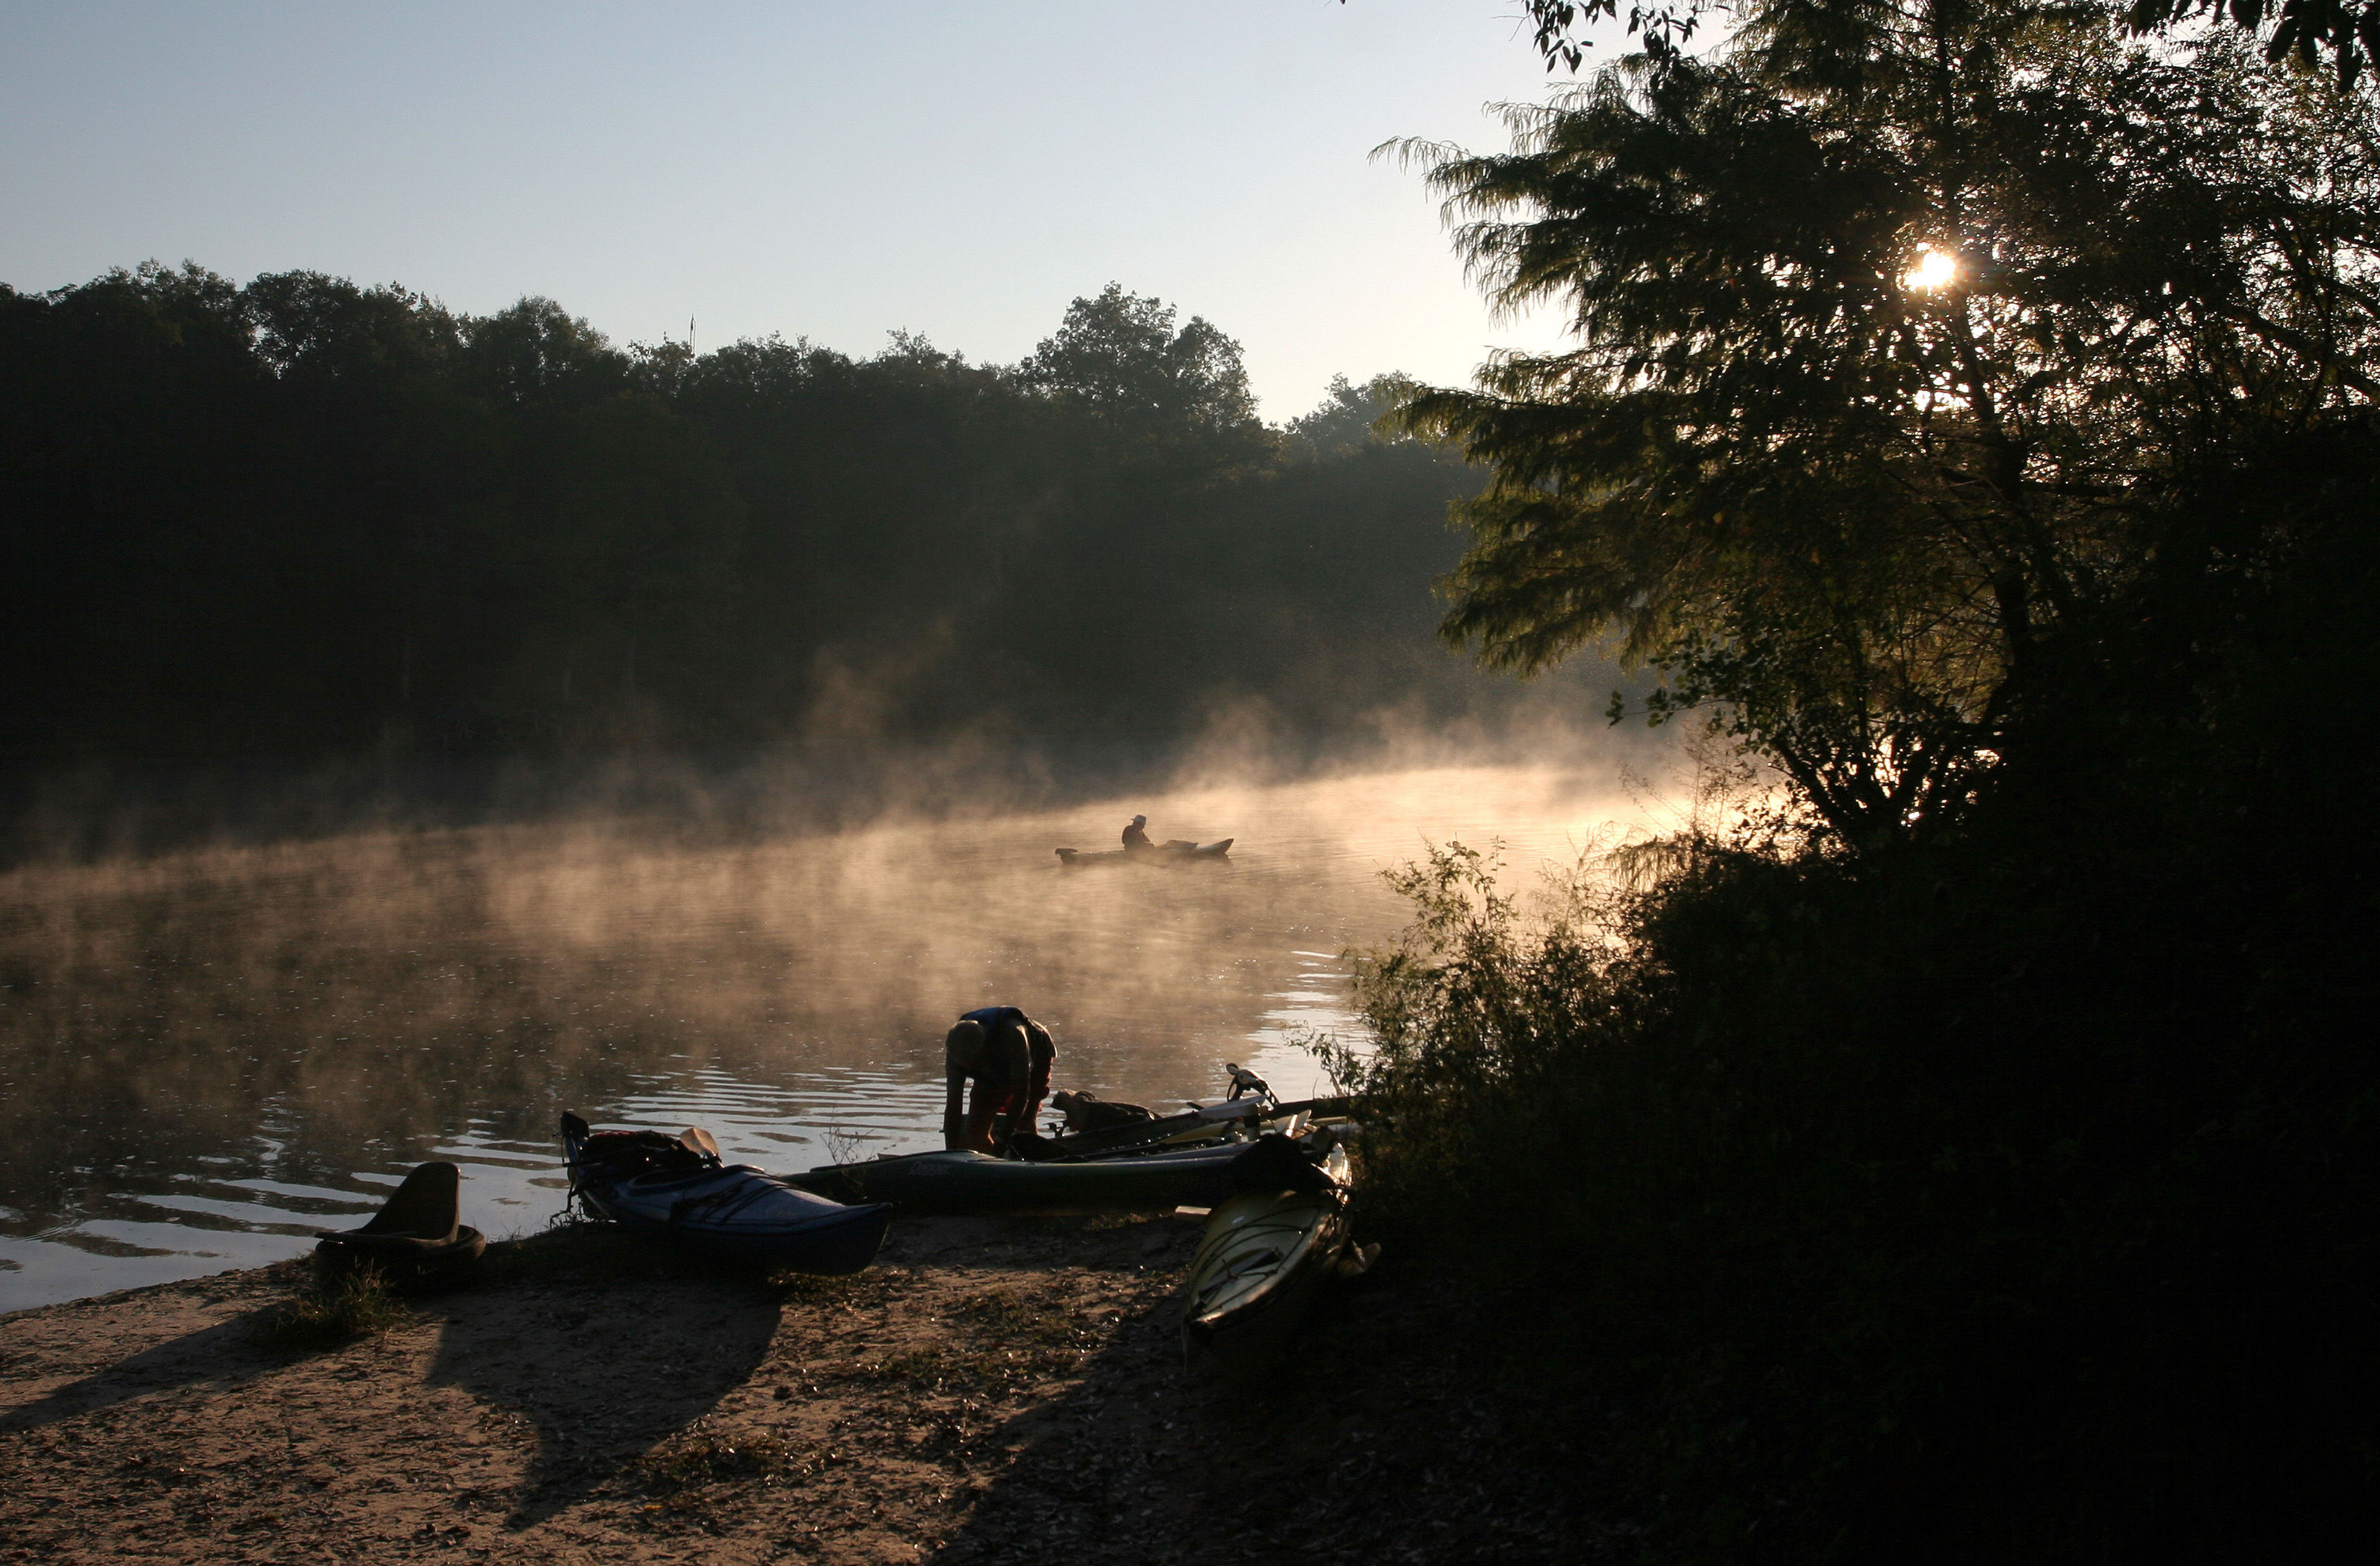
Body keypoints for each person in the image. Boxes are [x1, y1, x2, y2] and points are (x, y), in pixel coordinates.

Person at [943, 1005, 1056, 1154]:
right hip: (995, 1066)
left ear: (982, 1051)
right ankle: (991, 1164)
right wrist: (950, 1154)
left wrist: (1002, 1140)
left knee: (1025, 1123)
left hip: (1036, 1055)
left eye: (972, 1064)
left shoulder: (1013, 1036)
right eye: (965, 1066)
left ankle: (1032, 1162)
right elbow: (953, 1105)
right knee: (975, 1131)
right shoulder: (955, 1055)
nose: (969, 1069)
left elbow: (1022, 1095)